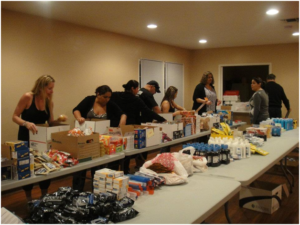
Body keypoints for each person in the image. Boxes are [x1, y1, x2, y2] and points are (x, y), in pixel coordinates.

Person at [12, 75, 63, 201]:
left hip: (41, 139)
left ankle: (44, 195)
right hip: (26, 137)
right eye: (50, 88)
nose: (52, 91)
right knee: (27, 166)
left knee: (44, 165)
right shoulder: (28, 97)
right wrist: (26, 123)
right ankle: (29, 198)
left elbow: (50, 122)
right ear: (41, 87)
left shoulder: (49, 101)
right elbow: (15, 116)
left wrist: (60, 121)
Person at [72, 85, 127, 191]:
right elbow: (76, 110)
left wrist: (123, 119)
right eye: (105, 97)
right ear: (98, 94)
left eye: (109, 97)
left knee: (97, 166)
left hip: (101, 139)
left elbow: (122, 113)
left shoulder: (109, 104)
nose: (107, 99)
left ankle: (96, 189)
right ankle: (77, 190)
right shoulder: (89, 100)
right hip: (85, 137)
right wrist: (79, 118)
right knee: (80, 166)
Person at [110, 80, 166, 174]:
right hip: (129, 127)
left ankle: (112, 172)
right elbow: (147, 111)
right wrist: (162, 119)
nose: (137, 91)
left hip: (114, 126)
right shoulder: (135, 99)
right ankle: (125, 171)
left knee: (114, 150)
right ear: (133, 88)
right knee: (126, 150)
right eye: (136, 89)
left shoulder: (115, 95)